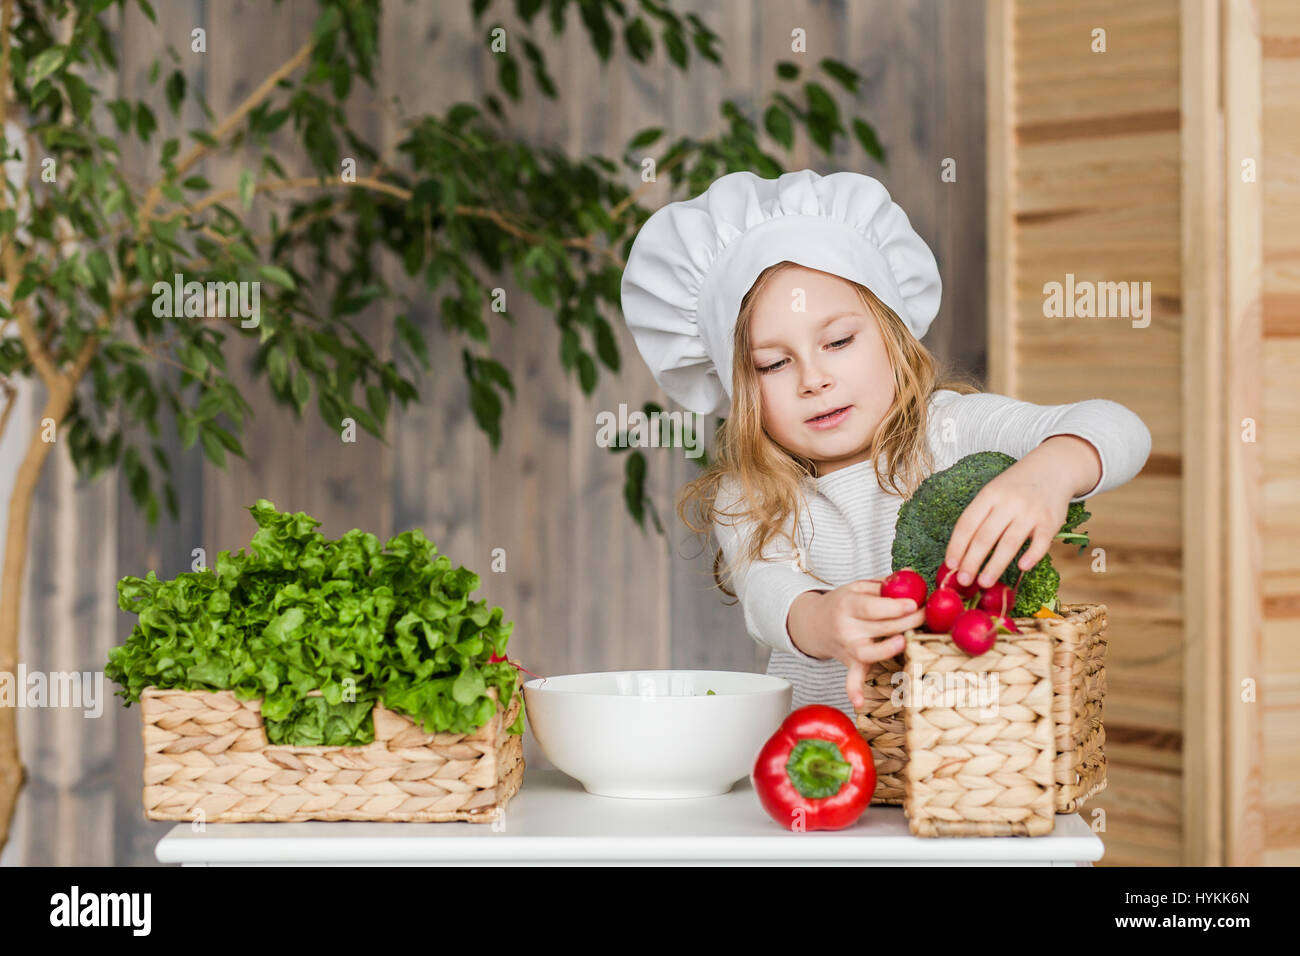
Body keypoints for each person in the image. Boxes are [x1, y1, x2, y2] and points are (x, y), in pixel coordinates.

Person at [619, 169, 1151, 721]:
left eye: (839, 340)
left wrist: (1050, 472)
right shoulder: (750, 491)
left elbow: (1119, 426)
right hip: (824, 768)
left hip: (971, 759)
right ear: (740, 391)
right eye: (773, 364)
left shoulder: (948, 429)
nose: (813, 378)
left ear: (894, 335)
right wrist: (821, 621)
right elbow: (765, 591)